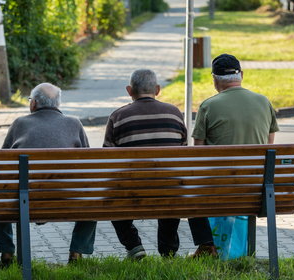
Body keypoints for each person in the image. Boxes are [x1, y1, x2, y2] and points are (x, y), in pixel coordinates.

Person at [103, 69, 217, 259]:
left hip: (133, 191)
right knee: (172, 181)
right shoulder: (173, 113)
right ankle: (168, 249)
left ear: (129, 90)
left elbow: (109, 161)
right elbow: (182, 154)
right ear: (157, 89)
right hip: (170, 190)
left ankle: (133, 245)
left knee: (111, 194)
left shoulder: (118, 117)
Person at [0, 83, 97, 267]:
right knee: (91, 191)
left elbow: (2, 167)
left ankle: (6, 252)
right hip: (68, 200)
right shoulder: (74, 123)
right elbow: (86, 169)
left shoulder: (19, 123)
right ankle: (76, 252)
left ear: (34, 104)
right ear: (58, 104)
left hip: (25, 201)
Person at [191, 53, 279, 257]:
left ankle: (207, 247)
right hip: (256, 188)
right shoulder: (264, 102)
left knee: (191, 192)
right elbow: (269, 147)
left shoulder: (208, 106)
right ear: (242, 75)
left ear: (214, 79)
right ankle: (227, 251)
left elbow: (198, 154)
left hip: (220, 188)